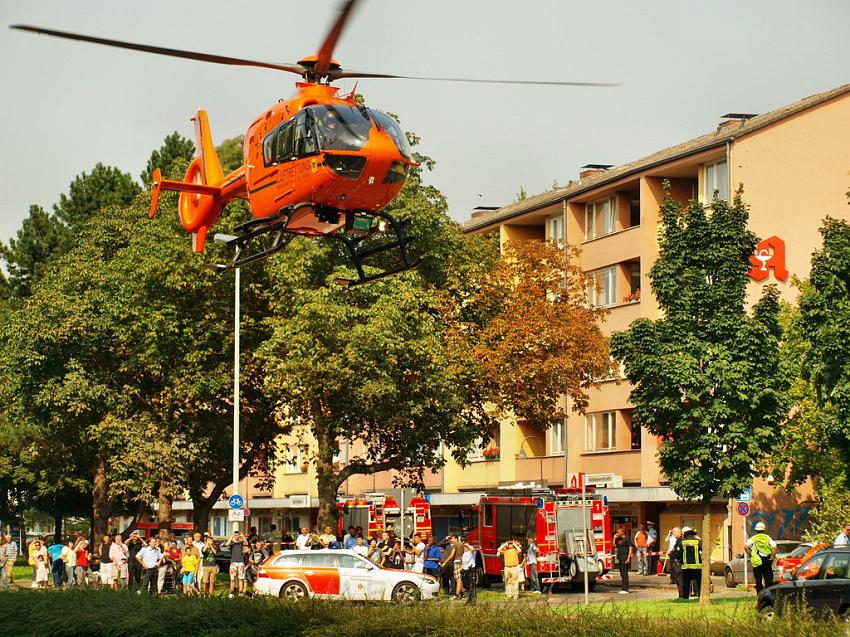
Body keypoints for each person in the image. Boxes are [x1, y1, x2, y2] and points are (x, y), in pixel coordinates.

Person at [746, 521, 777, 593]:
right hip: (767, 560)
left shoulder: (753, 538)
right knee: (768, 579)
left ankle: (759, 595)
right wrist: (772, 557)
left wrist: (750, 554)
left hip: (757, 561)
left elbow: (745, 546)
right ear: (764, 530)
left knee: (758, 579)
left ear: (756, 530)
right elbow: (775, 547)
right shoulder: (767, 537)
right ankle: (769, 594)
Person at [679, 526, 702, 599]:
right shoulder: (699, 542)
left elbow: (678, 553)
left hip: (686, 567)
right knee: (697, 583)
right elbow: (702, 552)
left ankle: (685, 597)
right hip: (697, 567)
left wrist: (678, 560)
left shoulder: (682, 542)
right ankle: (699, 596)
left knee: (686, 583)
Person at [225, 530, 248, 597]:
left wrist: (242, 535)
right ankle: (231, 592)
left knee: (240, 578)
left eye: (237, 535)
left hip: (241, 562)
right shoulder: (232, 542)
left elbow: (246, 543)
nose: (236, 536)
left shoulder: (241, 542)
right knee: (232, 578)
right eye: (235, 535)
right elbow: (226, 544)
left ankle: (240, 592)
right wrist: (231, 537)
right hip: (233, 562)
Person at [614, 528, 635, 594]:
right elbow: (614, 545)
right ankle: (623, 588)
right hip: (620, 557)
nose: (617, 533)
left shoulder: (627, 539)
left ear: (622, 532)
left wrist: (628, 558)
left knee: (625, 573)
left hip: (625, 557)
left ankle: (625, 589)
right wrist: (614, 538)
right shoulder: (619, 540)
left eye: (618, 532)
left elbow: (630, 548)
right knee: (622, 574)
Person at [666, 527, 684, 598]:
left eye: (675, 532)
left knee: (680, 580)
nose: (674, 533)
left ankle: (682, 596)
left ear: (680, 532)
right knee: (678, 580)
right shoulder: (677, 541)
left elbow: (678, 553)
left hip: (678, 564)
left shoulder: (680, 541)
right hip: (676, 563)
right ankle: (681, 595)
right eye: (673, 532)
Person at [460, 540, 478, 605]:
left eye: (465, 547)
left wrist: (467, 545)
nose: (464, 548)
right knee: (466, 585)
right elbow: (463, 563)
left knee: (472, 586)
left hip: (471, 570)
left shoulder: (471, 553)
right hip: (465, 571)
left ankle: (472, 600)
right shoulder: (464, 554)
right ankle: (469, 598)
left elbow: (472, 549)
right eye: (464, 547)